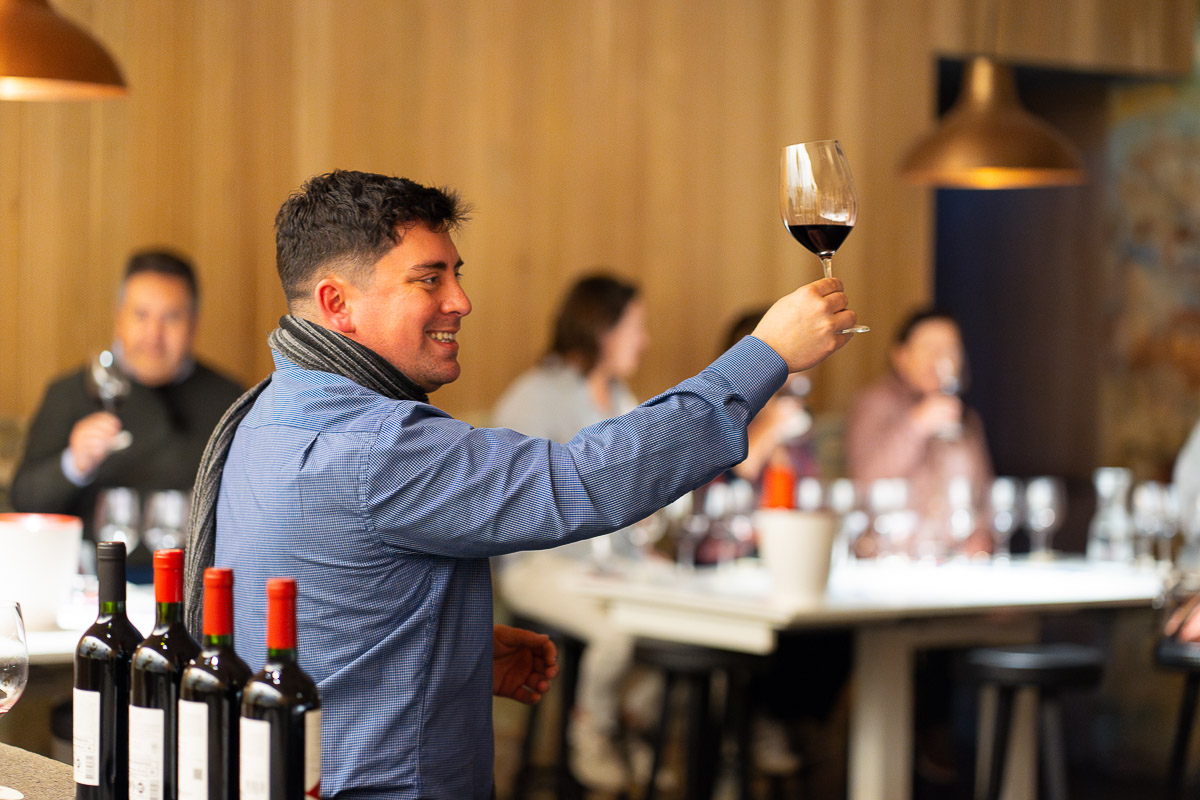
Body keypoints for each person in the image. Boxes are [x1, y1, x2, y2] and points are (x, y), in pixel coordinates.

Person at [183, 169, 858, 799]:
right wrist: (765, 355)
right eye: (428, 279)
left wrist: (451, 649)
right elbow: (584, 479)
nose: (460, 301)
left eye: (456, 274)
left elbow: (302, 609)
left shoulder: (265, 411)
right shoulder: (376, 445)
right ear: (338, 303)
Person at [492, 274, 653, 791]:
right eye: (635, 327)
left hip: (606, 567)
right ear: (603, 329)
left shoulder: (623, 397)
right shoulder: (536, 395)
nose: (644, 340)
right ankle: (592, 734)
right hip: (539, 564)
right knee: (617, 637)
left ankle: (633, 722)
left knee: (677, 623)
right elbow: (516, 497)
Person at [10, 250, 242, 561]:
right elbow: (24, 502)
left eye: (171, 317)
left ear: (193, 324)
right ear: (119, 317)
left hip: (191, 580)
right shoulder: (72, 393)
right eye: (141, 315)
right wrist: (74, 464)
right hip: (92, 579)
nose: (154, 335)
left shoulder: (229, 400)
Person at [845, 307, 993, 558]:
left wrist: (982, 534)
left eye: (950, 348)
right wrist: (916, 425)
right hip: (891, 558)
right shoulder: (875, 404)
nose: (940, 358)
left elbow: (985, 494)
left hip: (955, 559)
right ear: (901, 356)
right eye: (929, 347)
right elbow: (865, 481)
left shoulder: (966, 419)